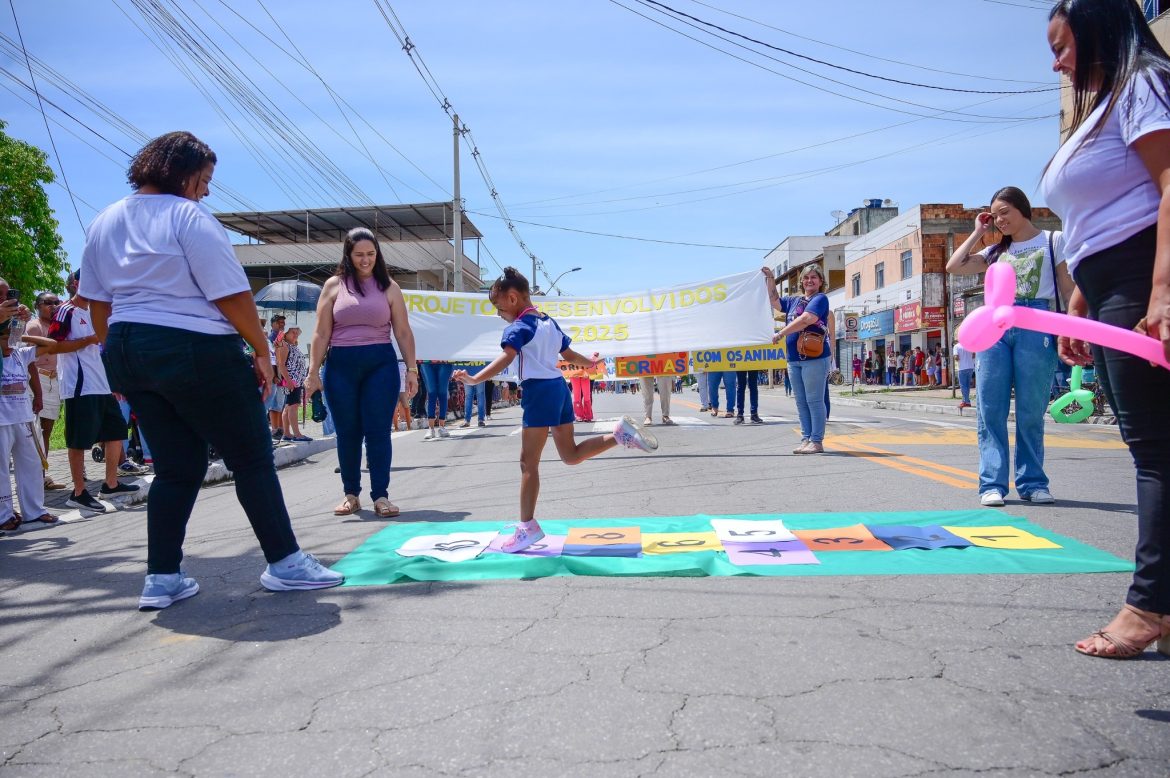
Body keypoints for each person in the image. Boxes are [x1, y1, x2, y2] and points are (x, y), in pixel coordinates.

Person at [83, 131, 344, 608]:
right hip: (193, 346)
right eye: (203, 180)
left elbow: (98, 303)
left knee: (176, 468)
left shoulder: (106, 219)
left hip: (126, 347)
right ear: (181, 175)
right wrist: (261, 351)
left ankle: (162, 577)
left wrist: (115, 358)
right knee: (250, 457)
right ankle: (285, 563)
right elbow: (231, 294)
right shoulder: (189, 217)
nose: (205, 191)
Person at [1041, 0, 1170, 658]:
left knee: (1156, 450)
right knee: (1152, 447)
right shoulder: (1107, 103)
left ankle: (1148, 606)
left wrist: (1162, 289)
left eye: (1064, 45)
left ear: (1100, 31)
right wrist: (1082, 301)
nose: (1057, 62)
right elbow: (1102, 215)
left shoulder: (1142, 84)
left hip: (1142, 275)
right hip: (1112, 283)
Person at [454, 267, 657, 552]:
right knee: (570, 456)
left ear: (513, 299)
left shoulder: (519, 327)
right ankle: (619, 435)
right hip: (559, 389)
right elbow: (569, 355)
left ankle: (526, 529)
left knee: (528, 464)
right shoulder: (548, 321)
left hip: (539, 392)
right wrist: (591, 363)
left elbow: (505, 357)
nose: (499, 313)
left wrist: (475, 378)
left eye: (499, 307)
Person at [948, 186, 1074, 508]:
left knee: (1031, 410)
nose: (1000, 220)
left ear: (1023, 209)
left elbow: (1066, 287)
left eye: (1004, 212)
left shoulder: (1052, 240)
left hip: (1037, 323)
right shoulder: (994, 251)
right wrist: (979, 230)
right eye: (995, 215)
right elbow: (954, 266)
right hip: (995, 329)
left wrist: (1070, 329)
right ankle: (991, 484)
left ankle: (1033, 483)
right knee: (991, 407)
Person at [305, 227, 419, 517]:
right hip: (340, 364)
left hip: (380, 363)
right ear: (349, 255)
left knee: (378, 431)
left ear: (377, 254)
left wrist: (412, 370)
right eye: (359, 255)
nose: (365, 260)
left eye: (370, 254)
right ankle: (350, 494)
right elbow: (320, 333)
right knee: (348, 433)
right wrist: (312, 372)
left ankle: (381, 496)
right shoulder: (333, 286)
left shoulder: (389, 287)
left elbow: (403, 332)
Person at [49, 271, 141, 513]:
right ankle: (78, 492)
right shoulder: (65, 310)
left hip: (101, 384)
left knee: (116, 431)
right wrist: (87, 340)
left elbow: (105, 349)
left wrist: (115, 382)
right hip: (79, 385)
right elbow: (52, 345)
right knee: (79, 438)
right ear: (77, 284)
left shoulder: (96, 312)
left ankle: (110, 483)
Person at [0, 282, 62, 530]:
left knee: (31, 464)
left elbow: (51, 346)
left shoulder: (17, 352)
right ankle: (4, 516)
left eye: (7, 293)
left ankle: (34, 511)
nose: (6, 298)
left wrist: (18, 327)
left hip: (22, 416)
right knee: (2, 469)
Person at [763, 264, 832, 453]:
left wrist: (780, 334)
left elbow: (806, 319)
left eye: (814, 277)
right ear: (801, 281)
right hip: (794, 359)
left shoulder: (820, 299)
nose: (809, 280)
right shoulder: (794, 300)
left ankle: (816, 441)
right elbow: (775, 301)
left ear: (821, 281)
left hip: (815, 358)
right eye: (806, 277)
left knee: (814, 401)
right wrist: (770, 279)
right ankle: (806, 439)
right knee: (801, 401)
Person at [25, 292, 67, 490]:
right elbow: (28, 360)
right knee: (34, 431)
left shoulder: (58, 327)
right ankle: (33, 478)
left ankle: (41, 476)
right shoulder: (33, 326)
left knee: (47, 431)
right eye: (47, 303)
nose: (53, 306)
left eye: (56, 302)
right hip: (37, 379)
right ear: (38, 305)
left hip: (53, 379)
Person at [280, 327, 311, 442]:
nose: (295, 334)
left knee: (289, 406)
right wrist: (288, 380)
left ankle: (287, 434)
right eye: (293, 332)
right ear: (286, 333)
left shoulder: (293, 346)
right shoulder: (284, 345)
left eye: (297, 332)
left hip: (296, 380)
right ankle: (297, 434)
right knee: (293, 405)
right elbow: (281, 364)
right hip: (291, 380)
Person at [418, 360, 453, 440]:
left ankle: (442, 427)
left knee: (442, 393)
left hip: (444, 359)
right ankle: (431, 428)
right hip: (426, 360)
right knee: (432, 393)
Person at [265, 314, 287, 440]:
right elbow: (273, 357)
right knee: (274, 404)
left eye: (283, 323)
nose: (282, 325)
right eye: (279, 322)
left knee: (280, 403)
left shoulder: (283, 337)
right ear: (273, 324)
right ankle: (275, 429)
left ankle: (280, 428)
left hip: (282, 376)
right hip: (275, 375)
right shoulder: (271, 338)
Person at [458, 362, 488, 427]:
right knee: (470, 396)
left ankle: (480, 419)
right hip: (468, 372)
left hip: (479, 371)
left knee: (479, 396)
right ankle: (467, 420)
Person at [954, 340, 976, 409]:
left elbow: (956, 357)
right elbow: (974, 355)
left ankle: (966, 402)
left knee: (963, 386)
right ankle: (965, 400)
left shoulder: (956, 346)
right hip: (970, 367)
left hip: (962, 368)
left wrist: (958, 358)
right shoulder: (970, 345)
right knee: (967, 385)